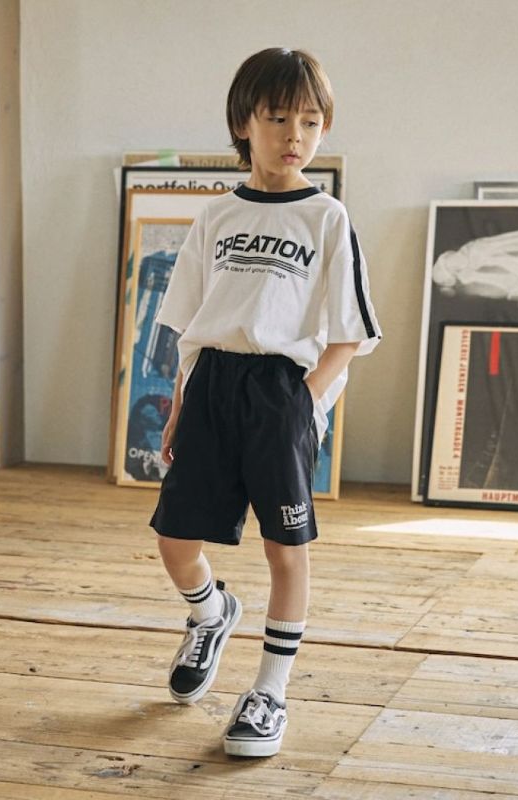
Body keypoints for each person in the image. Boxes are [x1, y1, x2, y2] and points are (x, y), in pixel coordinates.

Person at [148, 47, 382, 758]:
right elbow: (189, 323)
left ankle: (269, 693)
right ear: (243, 123)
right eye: (278, 118)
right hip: (212, 385)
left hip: (281, 391)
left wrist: (303, 405)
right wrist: (180, 402)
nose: (294, 136)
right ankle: (211, 613)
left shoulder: (327, 218)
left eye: (310, 122)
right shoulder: (216, 217)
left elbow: (351, 332)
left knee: (287, 549)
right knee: (174, 539)